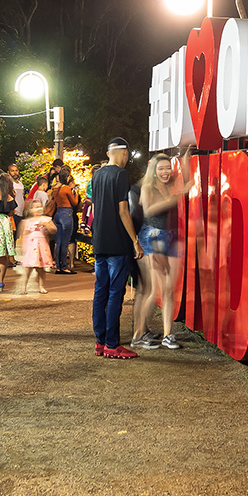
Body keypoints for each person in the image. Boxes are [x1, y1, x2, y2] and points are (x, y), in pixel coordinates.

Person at [131, 149, 195, 350]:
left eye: (168, 167)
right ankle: (138, 334)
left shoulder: (172, 183)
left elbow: (185, 178)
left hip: (173, 237)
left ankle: (168, 334)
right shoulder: (148, 188)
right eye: (161, 168)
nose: (166, 172)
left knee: (169, 290)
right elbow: (149, 209)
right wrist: (177, 197)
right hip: (153, 237)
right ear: (154, 170)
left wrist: (184, 158)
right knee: (153, 291)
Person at [90, 137, 144, 359]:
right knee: (115, 293)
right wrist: (135, 240)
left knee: (100, 292)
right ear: (122, 153)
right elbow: (123, 211)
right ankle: (112, 344)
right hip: (117, 243)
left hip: (99, 242)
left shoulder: (97, 174)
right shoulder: (120, 175)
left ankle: (100, 341)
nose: (127, 160)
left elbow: (95, 207)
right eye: (127, 155)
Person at [15, 199, 55, 294]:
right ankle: (23, 287)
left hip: (41, 247)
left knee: (41, 269)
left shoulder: (46, 219)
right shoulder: (27, 221)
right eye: (36, 207)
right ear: (30, 210)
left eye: (40, 206)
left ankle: (41, 286)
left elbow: (53, 230)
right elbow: (23, 234)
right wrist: (23, 248)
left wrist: (46, 225)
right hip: (31, 248)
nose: (39, 209)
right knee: (27, 269)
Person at [50, 166, 79, 274]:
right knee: (65, 241)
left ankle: (58, 266)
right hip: (66, 213)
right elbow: (74, 202)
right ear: (66, 177)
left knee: (59, 241)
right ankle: (64, 266)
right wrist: (75, 192)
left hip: (58, 213)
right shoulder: (66, 188)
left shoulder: (55, 188)